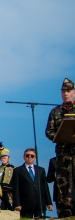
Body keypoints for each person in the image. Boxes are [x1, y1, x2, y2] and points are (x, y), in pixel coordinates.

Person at [45, 76, 75, 218]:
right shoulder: (55, 112)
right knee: (64, 184)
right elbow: (48, 132)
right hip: (63, 156)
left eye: (68, 91)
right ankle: (65, 212)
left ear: (73, 92)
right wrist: (58, 136)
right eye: (63, 91)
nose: (65, 94)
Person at [10, 148, 53, 218]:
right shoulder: (18, 171)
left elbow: (45, 187)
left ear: (35, 158)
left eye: (32, 156)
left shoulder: (41, 170)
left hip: (40, 204)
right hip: (25, 204)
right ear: (24, 157)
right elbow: (15, 188)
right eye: (27, 155)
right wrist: (17, 204)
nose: (29, 157)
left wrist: (49, 203)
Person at [0, 142, 15, 210]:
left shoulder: (13, 168)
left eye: (5, 157)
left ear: (8, 158)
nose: (3, 159)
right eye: (2, 158)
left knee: (11, 208)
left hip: (9, 192)